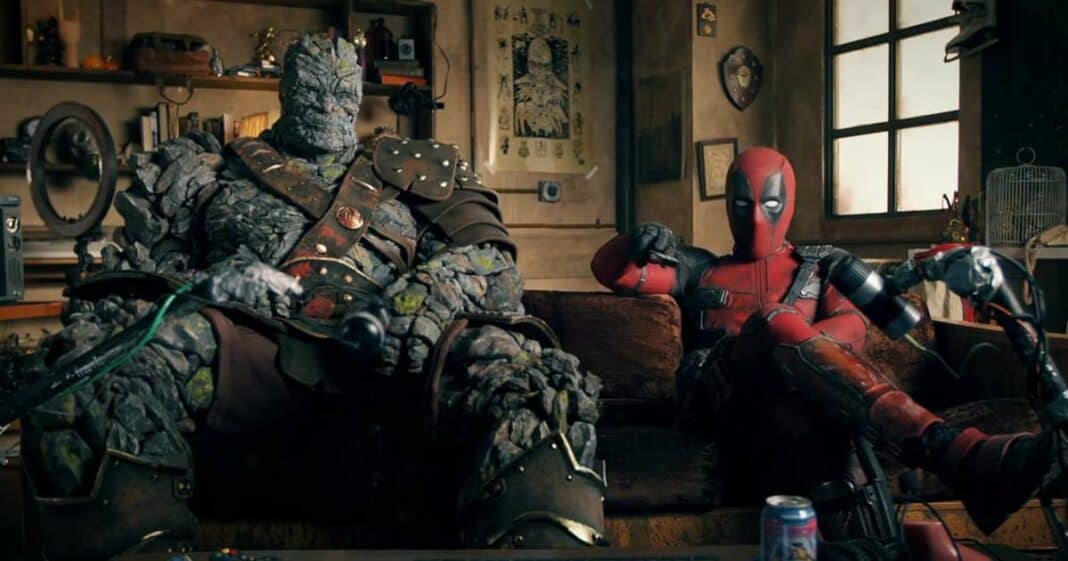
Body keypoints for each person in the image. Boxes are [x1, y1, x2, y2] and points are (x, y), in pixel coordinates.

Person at [19, 34, 605, 560]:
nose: (329, 106)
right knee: (105, 369)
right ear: (285, 89)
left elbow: (492, 263)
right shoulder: (207, 170)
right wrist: (214, 281)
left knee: (531, 383)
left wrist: (420, 299)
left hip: (401, 344)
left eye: (342, 93)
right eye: (314, 91)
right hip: (245, 341)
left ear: (359, 94)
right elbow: (141, 275)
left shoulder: (420, 168)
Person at [590, 146, 1054, 535]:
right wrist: (636, 241)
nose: (756, 218)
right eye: (742, 205)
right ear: (727, 205)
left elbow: (852, 330)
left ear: (789, 202)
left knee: (828, 443)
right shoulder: (698, 268)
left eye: (770, 204)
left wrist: (787, 348)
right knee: (775, 322)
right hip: (724, 400)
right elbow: (613, 272)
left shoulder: (821, 265)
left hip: (801, 409)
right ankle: (954, 451)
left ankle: (909, 498)